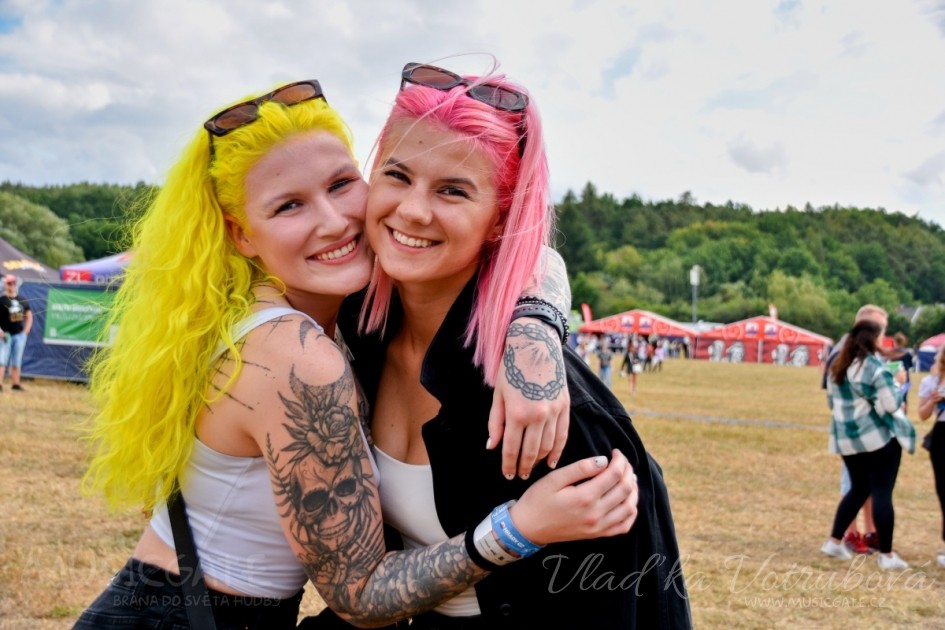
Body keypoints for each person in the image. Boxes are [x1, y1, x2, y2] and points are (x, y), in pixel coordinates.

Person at [75, 79, 639, 630]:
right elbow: (361, 595)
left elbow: (527, 246)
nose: (333, 220)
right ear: (241, 235)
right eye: (289, 206)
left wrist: (534, 322)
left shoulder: (293, 306)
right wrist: (517, 527)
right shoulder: (295, 358)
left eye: (342, 184)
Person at [343, 61, 690, 628]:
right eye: (397, 175)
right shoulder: (358, 330)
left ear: (501, 219)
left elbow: (617, 606)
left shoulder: (552, 409)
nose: (412, 210)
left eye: (453, 191)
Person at [820, 319, 915, 570]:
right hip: (876, 440)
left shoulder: (838, 367)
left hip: (846, 441)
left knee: (858, 488)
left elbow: (831, 403)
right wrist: (898, 383)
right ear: (875, 340)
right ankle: (887, 554)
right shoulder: (876, 369)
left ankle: (834, 540)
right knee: (882, 493)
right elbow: (892, 405)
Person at [821, 304, 890, 554]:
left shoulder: (867, 354)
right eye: (879, 328)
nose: (882, 334)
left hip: (868, 429)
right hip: (854, 429)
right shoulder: (845, 353)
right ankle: (849, 533)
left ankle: (869, 531)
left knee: (868, 484)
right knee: (854, 483)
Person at [916, 345, 945, 568]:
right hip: (942, 437)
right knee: (944, 492)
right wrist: (933, 401)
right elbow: (922, 415)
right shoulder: (932, 382)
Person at [0, 274, 32, 391]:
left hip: (19, 335)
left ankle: (15, 384)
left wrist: (25, 331)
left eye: (13, 283)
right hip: (5, 335)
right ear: (5, 285)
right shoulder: (1, 300)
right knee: (2, 360)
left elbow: (29, 315)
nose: (11, 285)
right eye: (9, 283)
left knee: (17, 360)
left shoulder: (22, 299)